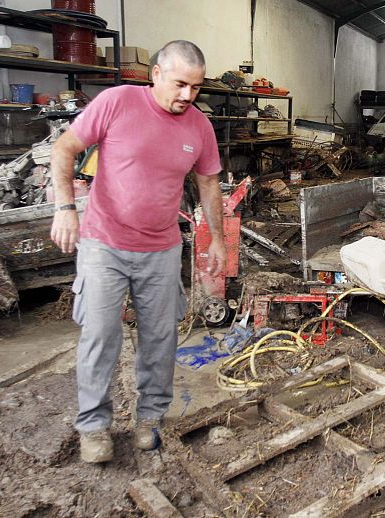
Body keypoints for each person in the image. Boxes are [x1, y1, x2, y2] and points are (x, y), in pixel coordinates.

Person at [50, 40, 225, 464]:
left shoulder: (199, 126)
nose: (187, 95)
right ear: (156, 75)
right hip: (103, 243)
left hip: (161, 249)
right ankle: (93, 426)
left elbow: (208, 184)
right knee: (100, 335)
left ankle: (150, 419)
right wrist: (65, 207)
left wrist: (216, 237)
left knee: (161, 339)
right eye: (180, 84)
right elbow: (65, 148)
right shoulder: (116, 102)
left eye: (196, 88)